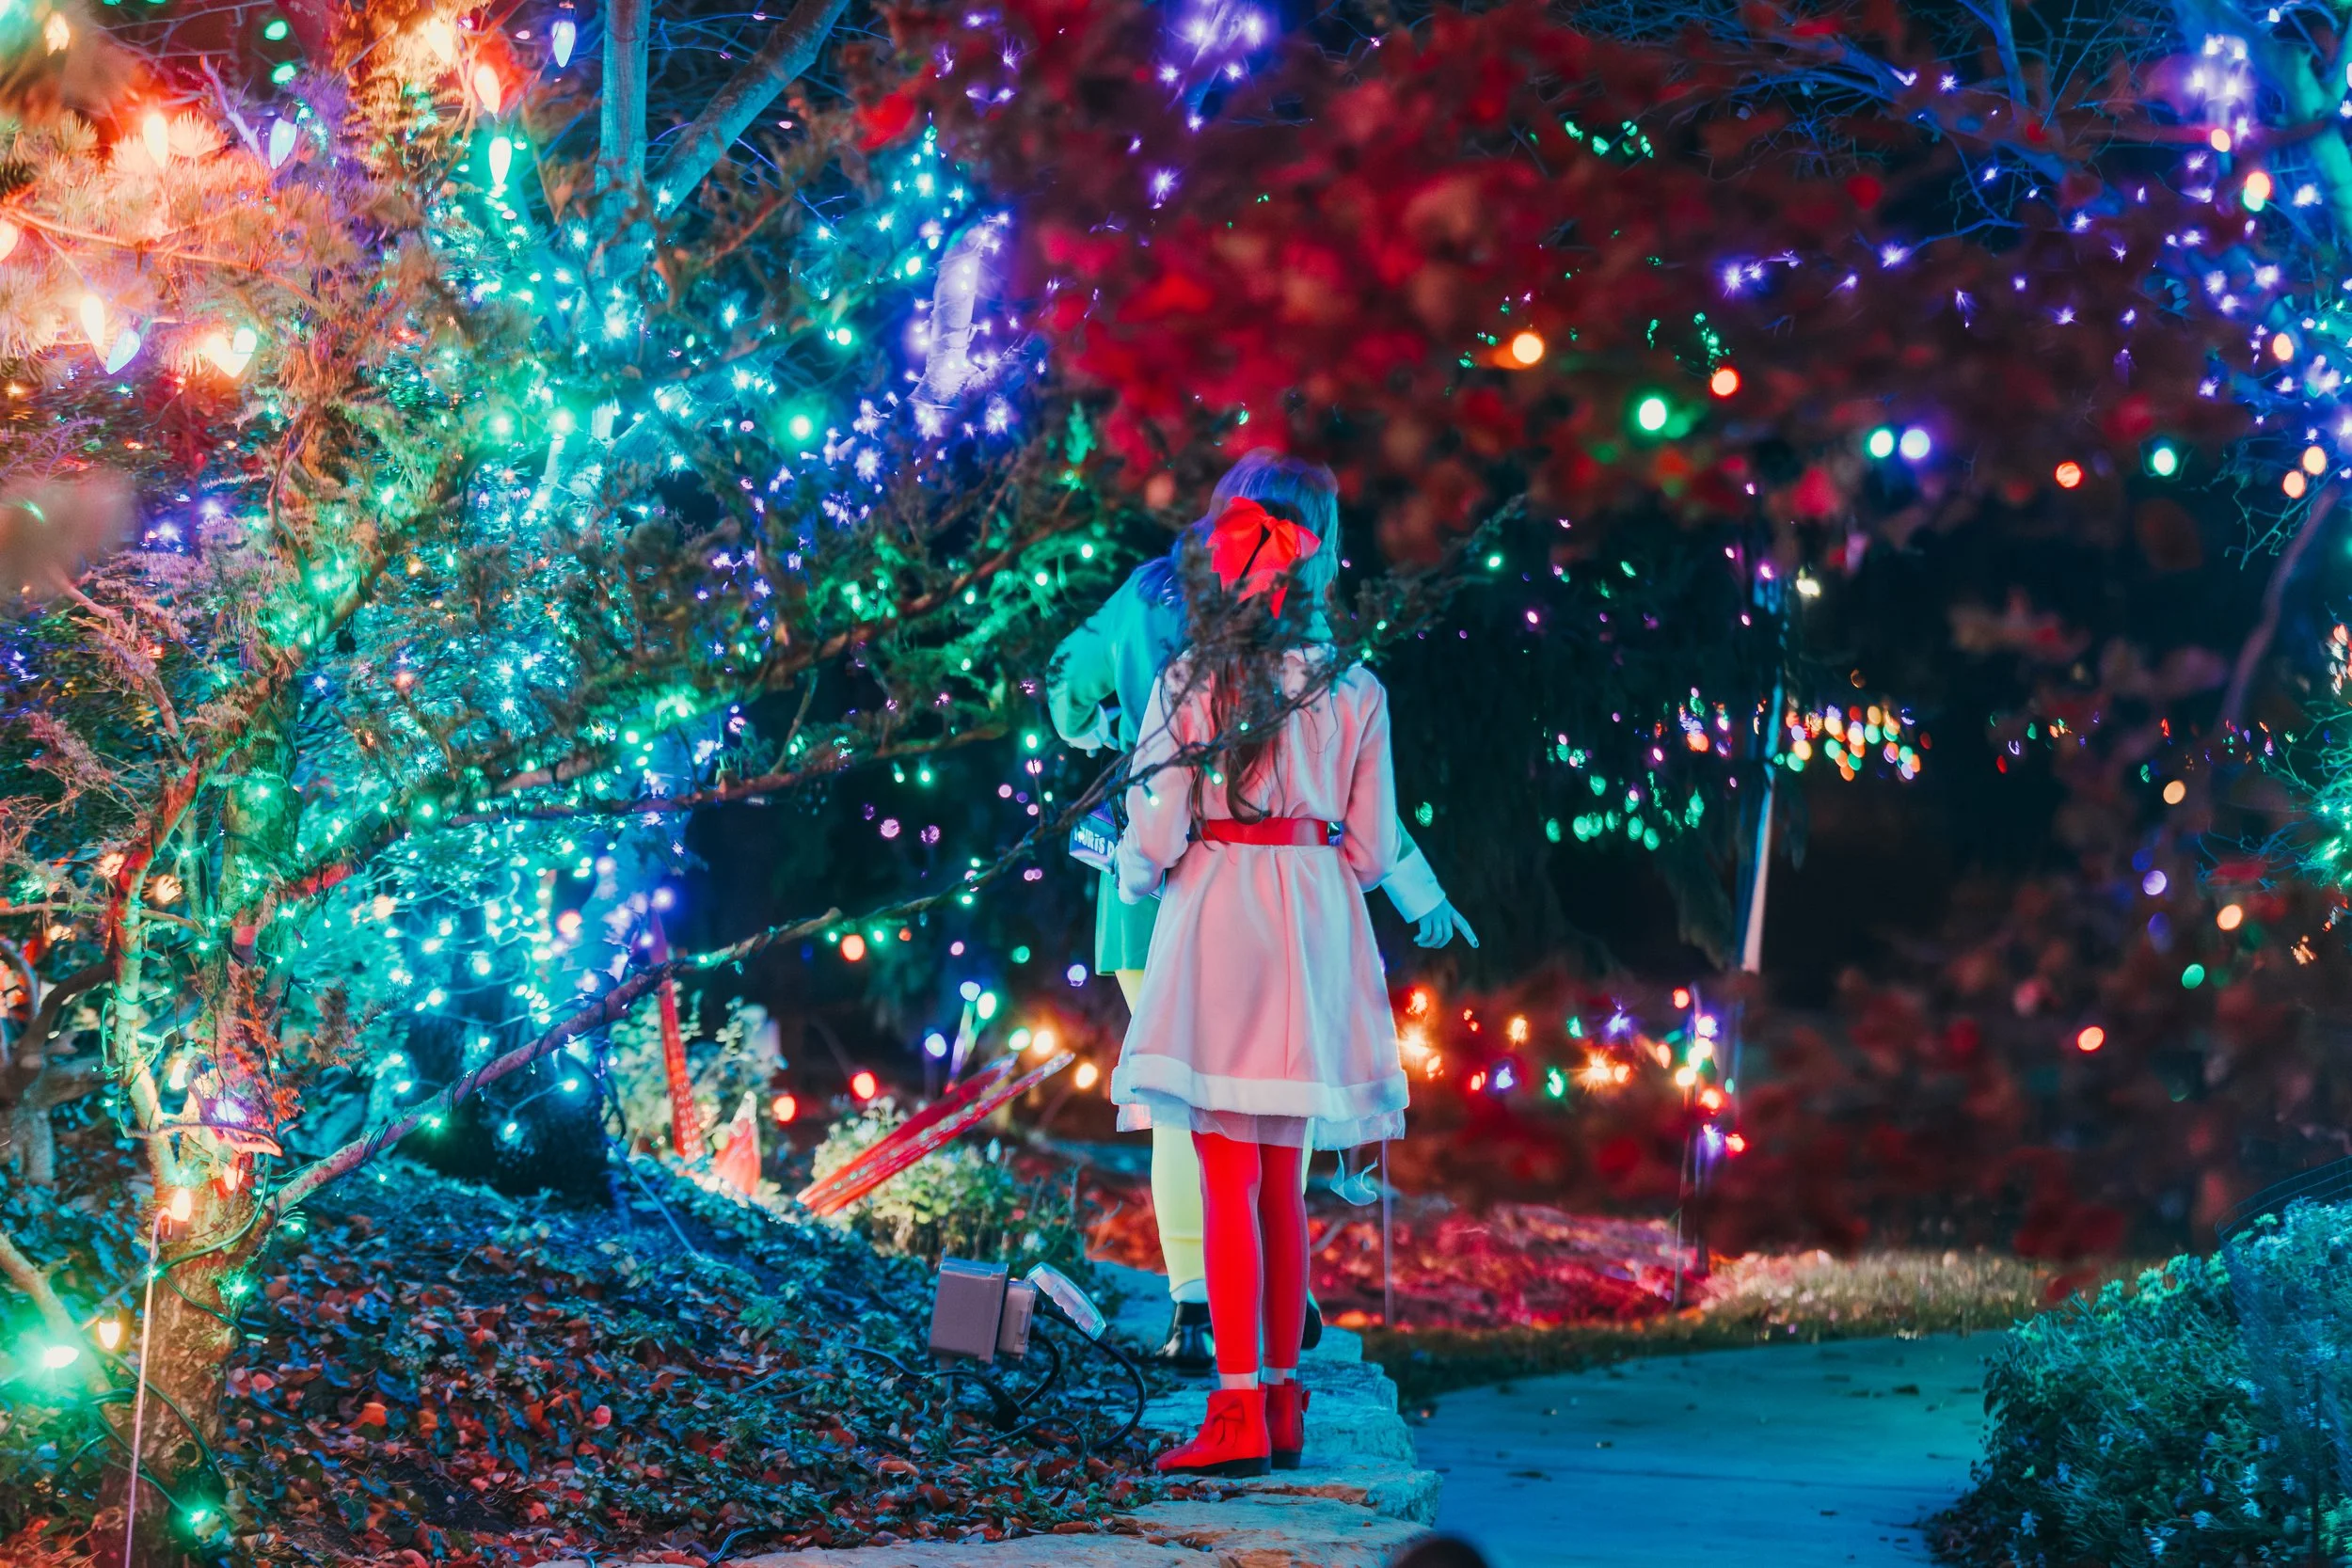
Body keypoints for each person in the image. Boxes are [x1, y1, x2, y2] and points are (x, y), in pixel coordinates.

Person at [1046, 453, 1474, 1374]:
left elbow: (1064, 684)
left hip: (1165, 889)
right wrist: (1418, 890)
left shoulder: (1150, 598)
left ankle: (1201, 1302)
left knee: (1186, 1109)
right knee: (1283, 1105)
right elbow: (1355, 819)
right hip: (1296, 905)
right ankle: (1278, 1307)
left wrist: (1113, 736)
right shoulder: (1335, 663)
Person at [1110, 489, 1412, 1477]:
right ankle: (1280, 1403)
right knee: (1282, 1180)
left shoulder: (1191, 680)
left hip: (1222, 920)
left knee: (1225, 1175)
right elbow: (1373, 850)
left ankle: (1238, 1409)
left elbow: (1156, 827)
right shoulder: (1356, 687)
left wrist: (1134, 870)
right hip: (1315, 928)